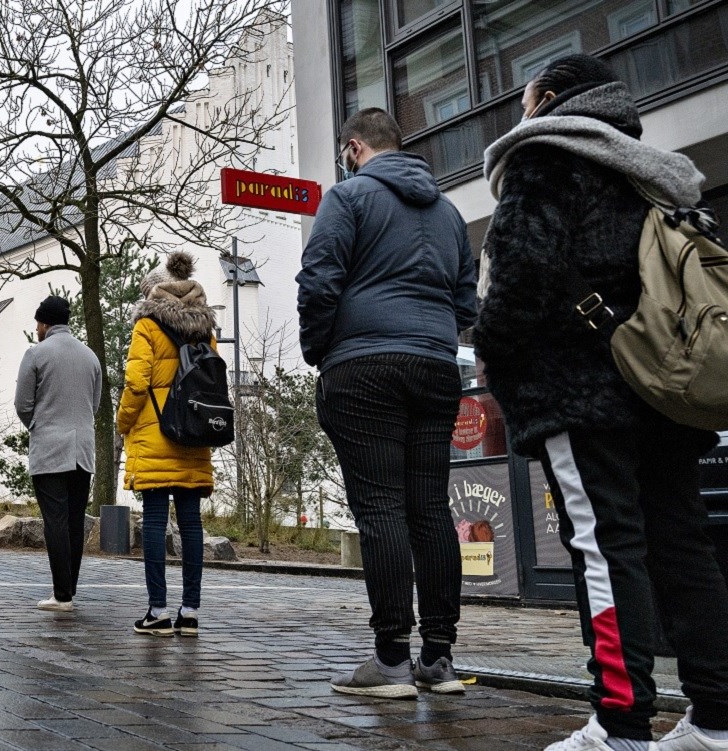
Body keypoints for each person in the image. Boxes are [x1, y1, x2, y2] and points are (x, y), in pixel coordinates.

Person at [477, 55, 728, 751]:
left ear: (551, 99)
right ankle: (715, 717)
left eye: (526, 100)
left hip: (580, 392)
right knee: (683, 546)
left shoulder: (546, 157)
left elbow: (521, 275)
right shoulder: (653, 173)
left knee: (603, 546)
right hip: (663, 389)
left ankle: (620, 724)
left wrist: (494, 349)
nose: (521, 114)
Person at [297, 107, 477, 698]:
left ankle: (390, 660)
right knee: (430, 510)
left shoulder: (348, 199)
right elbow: (466, 300)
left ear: (353, 149)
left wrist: (319, 349)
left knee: (380, 509)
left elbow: (320, 278)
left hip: (364, 366)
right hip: (434, 366)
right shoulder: (449, 213)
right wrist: (435, 338)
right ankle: (439, 659)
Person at [116, 252, 215, 637]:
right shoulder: (204, 329)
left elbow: (136, 383)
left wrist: (123, 422)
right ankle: (189, 611)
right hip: (193, 435)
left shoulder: (146, 327)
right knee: (191, 522)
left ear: (153, 294)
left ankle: (157, 610)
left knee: (155, 522)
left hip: (156, 435)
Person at [14, 295, 102, 611]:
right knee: (75, 520)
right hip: (83, 449)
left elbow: (22, 404)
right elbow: (94, 405)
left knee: (55, 520)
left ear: (44, 323)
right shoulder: (91, 357)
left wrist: (39, 424)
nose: (36, 328)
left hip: (50, 449)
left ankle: (61, 594)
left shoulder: (36, 354)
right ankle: (70, 590)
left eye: (37, 322)